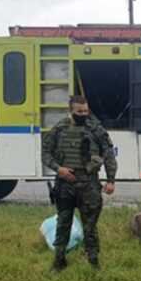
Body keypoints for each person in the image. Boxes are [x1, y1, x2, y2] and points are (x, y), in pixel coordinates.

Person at [41, 95, 117, 270]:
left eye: (85, 111)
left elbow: (108, 155)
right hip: (64, 185)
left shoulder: (96, 129)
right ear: (71, 111)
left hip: (89, 184)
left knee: (90, 227)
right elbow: (45, 152)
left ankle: (93, 262)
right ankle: (59, 262)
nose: (83, 114)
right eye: (79, 111)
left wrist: (111, 180)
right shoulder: (59, 128)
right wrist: (58, 169)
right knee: (63, 223)